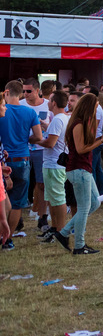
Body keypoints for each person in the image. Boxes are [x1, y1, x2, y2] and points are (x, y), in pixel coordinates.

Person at [52, 93, 103, 255]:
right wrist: (101, 140)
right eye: (95, 107)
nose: (97, 110)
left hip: (82, 169)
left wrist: (102, 137)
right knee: (84, 208)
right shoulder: (78, 124)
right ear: (89, 107)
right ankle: (79, 245)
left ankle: (64, 233)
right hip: (78, 169)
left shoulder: (83, 122)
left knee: (94, 204)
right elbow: (81, 149)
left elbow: (85, 145)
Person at [0, 80, 43, 248]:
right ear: (20, 93)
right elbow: (38, 137)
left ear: (7, 92)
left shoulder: (2, 111)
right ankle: (8, 238)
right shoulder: (29, 112)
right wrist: (25, 139)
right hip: (23, 159)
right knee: (17, 202)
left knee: (3, 201)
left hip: (3, 161)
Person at [37, 90, 69, 243]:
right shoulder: (61, 118)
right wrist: (45, 128)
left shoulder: (58, 120)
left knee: (58, 199)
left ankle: (60, 231)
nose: (47, 102)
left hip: (54, 164)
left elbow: (50, 143)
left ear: (54, 103)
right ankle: (55, 228)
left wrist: (34, 140)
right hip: (53, 164)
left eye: (49, 100)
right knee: (52, 199)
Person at [22, 79, 50, 233]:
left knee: (41, 183)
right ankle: (18, 217)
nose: (25, 94)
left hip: (42, 148)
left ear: (38, 90)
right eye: (24, 91)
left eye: (29, 91)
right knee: (22, 182)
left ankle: (43, 216)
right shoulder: (20, 104)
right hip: (23, 148)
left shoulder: (48, 105)